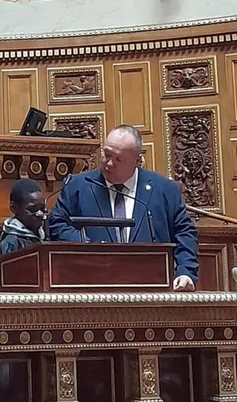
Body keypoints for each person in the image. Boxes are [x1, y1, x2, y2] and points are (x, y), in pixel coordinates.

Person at [47, 124, 198, 291]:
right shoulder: (78, 185)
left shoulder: (164, 189)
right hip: (91, 285)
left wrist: (185, 272)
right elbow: (56, 223)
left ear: (137, 160)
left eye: (118, 159)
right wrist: (86, 244)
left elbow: (184, 232)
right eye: (106, 155)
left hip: (151, 286)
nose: (109, 164)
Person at [0, 178, 47, 289]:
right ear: (14, 208)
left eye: (42, 208)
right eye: (33, 209)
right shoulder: (11, 243)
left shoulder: (42, 235)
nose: (40, 214)